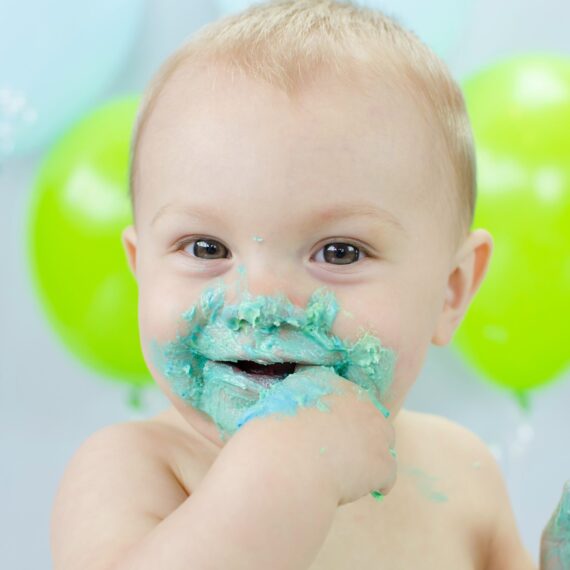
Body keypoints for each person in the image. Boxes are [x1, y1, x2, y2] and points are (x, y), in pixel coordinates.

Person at [50, 1, 564, 568]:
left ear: (452, 290)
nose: (261, 303)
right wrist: (295, 464)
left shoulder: (461, 472)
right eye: (206, 248)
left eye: (339, 253)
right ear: (141, 266)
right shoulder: (132, 473)